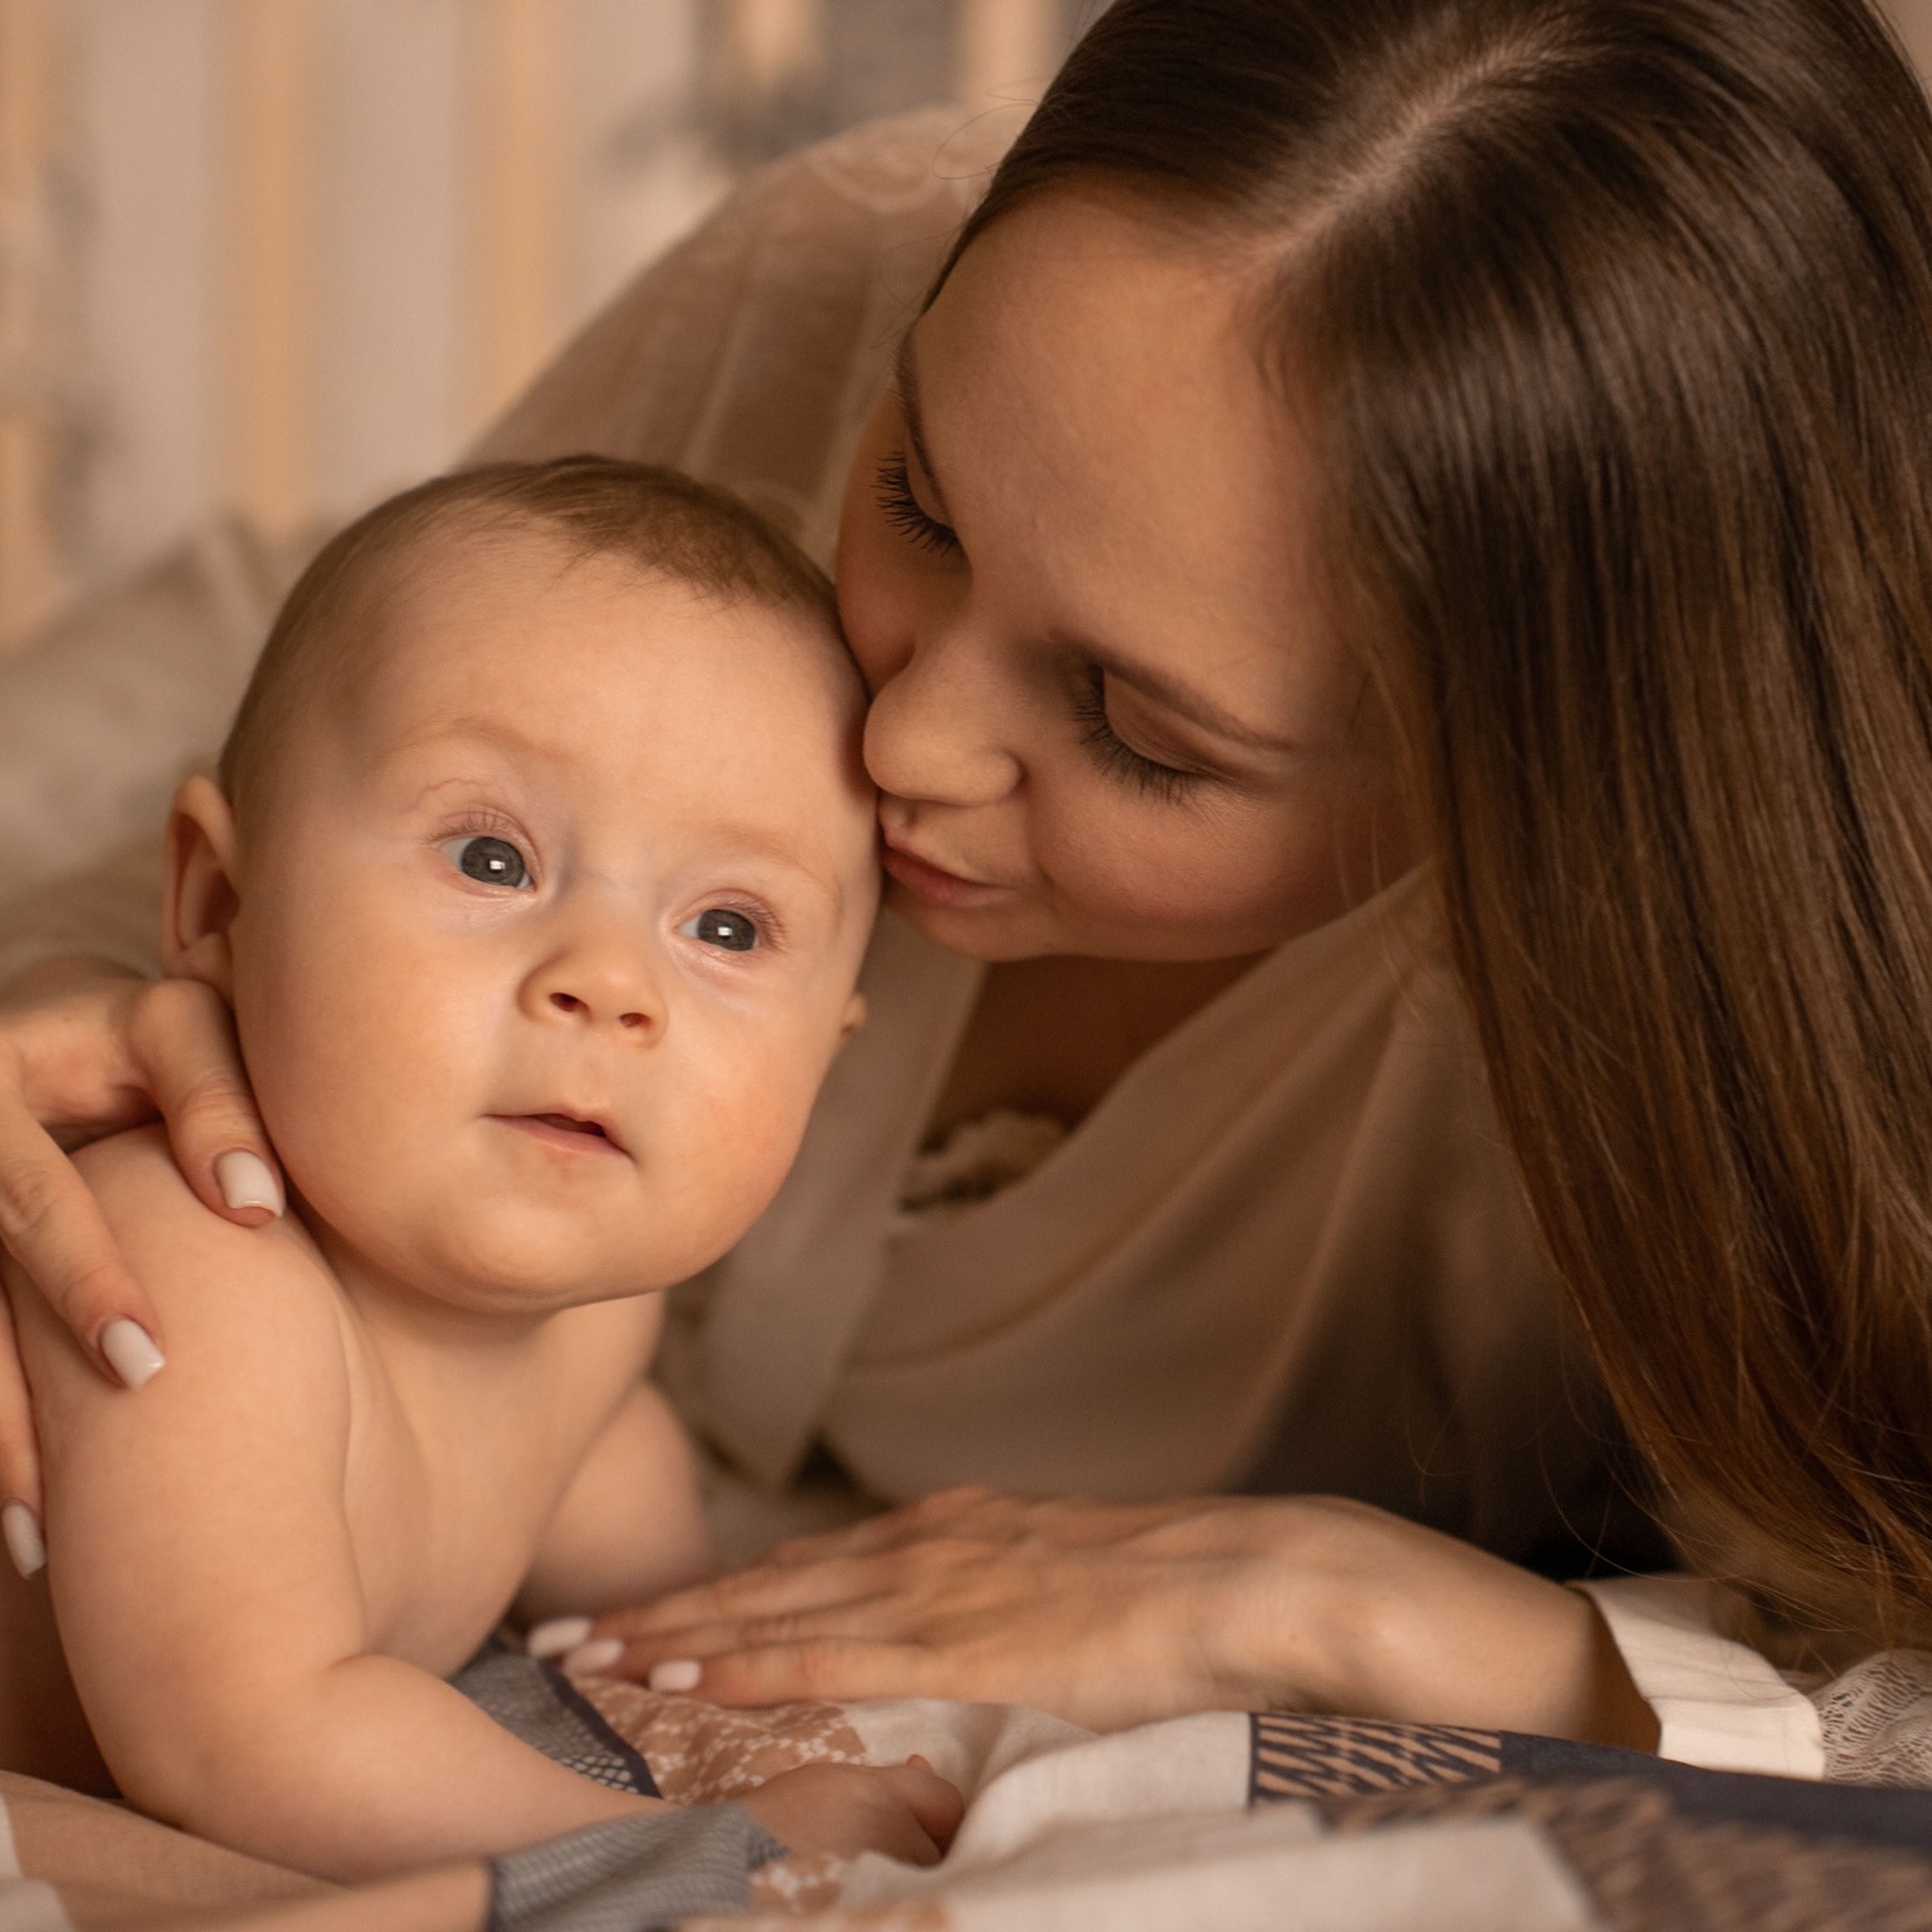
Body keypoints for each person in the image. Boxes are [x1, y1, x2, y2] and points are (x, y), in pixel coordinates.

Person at [3, 0, 1927, 1773]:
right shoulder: (843, 279)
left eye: (1138, 729)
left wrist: (1382, 1615)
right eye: (917, 496)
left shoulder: (1769, 993)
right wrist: (90, 977)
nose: (901, 743)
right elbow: (321, 668)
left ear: (1540, 791)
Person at [0, 457, 961, 1881]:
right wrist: (682, 1836)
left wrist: (732, 1641)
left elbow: (606, 1500)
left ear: (830, 1053)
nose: (611, 987)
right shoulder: (191, 1264)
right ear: (217, 901)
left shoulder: (599, 1322)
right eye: (495, 859)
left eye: (731, 930)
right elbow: (243, 1738)